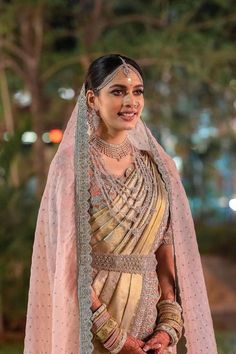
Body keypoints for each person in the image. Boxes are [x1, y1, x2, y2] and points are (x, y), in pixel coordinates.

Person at [23, 54, 218, 354]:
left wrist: (167, 327)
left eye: (137, 91)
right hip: (93, 332)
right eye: (118, 91)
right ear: (92, 99)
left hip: (153, 336)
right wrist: (112, 335)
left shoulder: (159, 168)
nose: (131, 101)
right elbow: (67, 263)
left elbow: (165, 255)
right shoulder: (73, 168)